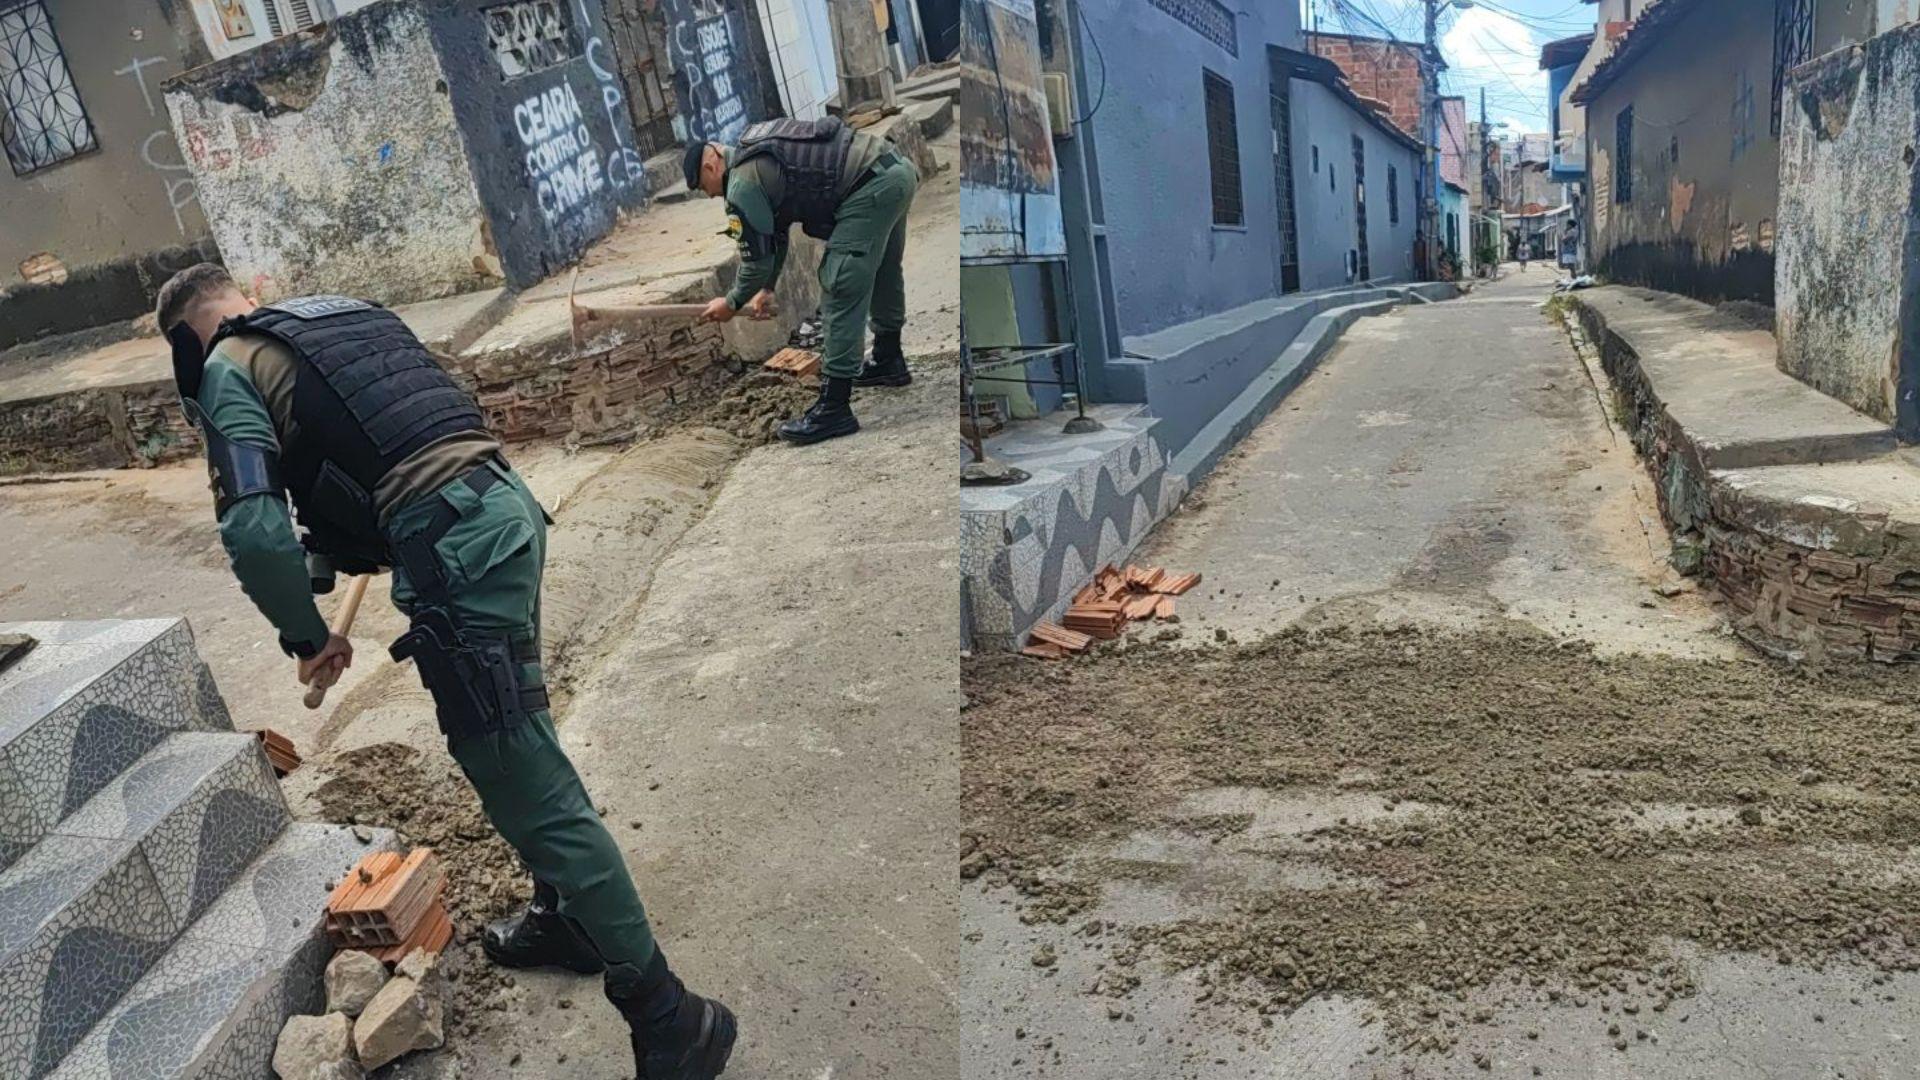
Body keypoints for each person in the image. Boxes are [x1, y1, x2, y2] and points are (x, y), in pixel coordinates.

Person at [155, 264, 735, 1080]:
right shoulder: (336, 318)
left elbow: (254, 531)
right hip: (500, 510)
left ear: (185, 342)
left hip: (458, 550)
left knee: (524, 777)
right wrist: (341, 557)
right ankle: (567, 917)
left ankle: (672, 1017)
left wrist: (305, 636)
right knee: (517, 742)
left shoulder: (226, 364)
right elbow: (385, 440)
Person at [683, 114, 920, 445]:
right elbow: (775, 236)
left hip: (869, 189)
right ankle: (888, 359)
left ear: (711, 166)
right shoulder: (758, 148)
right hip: (895, 170)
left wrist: (732, 302)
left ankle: (834, 409)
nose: (709, 196)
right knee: (883, 270)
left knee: (841, 283)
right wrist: (768, 288)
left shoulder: (741, 186)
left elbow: (756, 260)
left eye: (703, 187)